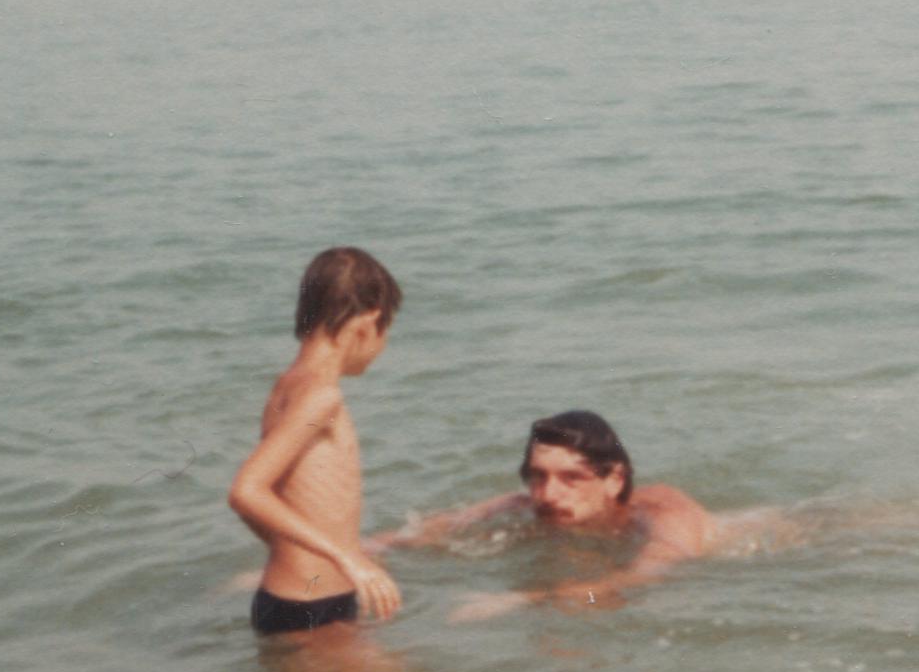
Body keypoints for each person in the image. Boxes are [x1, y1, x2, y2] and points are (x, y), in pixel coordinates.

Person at [370, 410, 717, 620]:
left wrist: (529, 598)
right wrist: (360, 554)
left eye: (571, 478)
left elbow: (642, 579)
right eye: (538, 476)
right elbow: (421, 533)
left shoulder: (665, 514)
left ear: (614, 480)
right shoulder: (523, 506)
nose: (548, 494)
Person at [229, 247, 403, 633]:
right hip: (310, 606)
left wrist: (296, 553)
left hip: (298, 600)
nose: (384, 344)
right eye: (387, 328)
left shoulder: (288, 386)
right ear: (367, 323)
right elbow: (246, 492)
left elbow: (261, 501)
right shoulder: (321, 398)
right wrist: (346, 558)